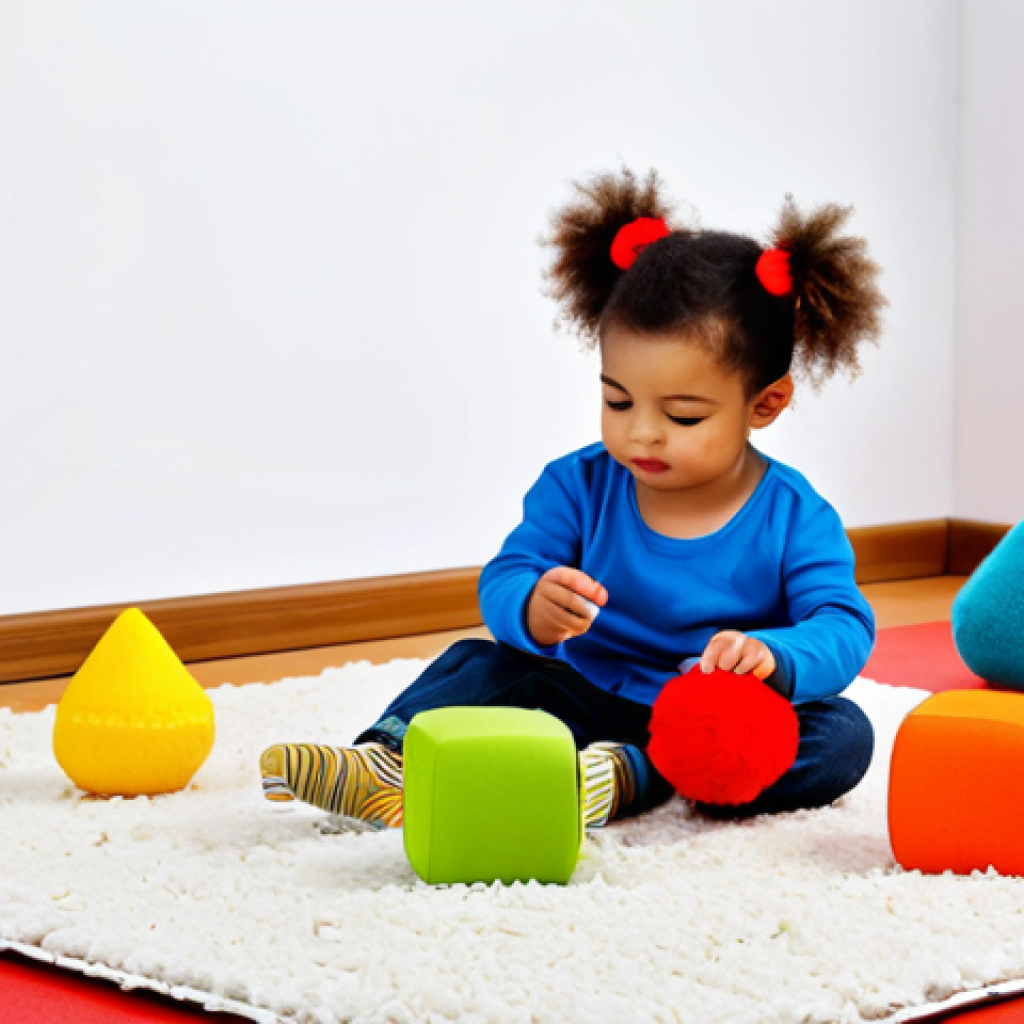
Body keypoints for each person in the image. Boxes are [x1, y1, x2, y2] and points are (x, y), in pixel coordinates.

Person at [260, 167, 886, 830]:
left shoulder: (794, 515)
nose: (640, 431)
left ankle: (636, 775)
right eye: (618, 400)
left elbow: (843, 624)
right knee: (482, 663)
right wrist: (532, 604)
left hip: (714, 722)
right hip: (585, 693)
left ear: (765, 404)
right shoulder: (578, 484)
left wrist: (777, 658)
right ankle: (391, 760)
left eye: (682, 416)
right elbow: (509, 574)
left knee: (842, 734)